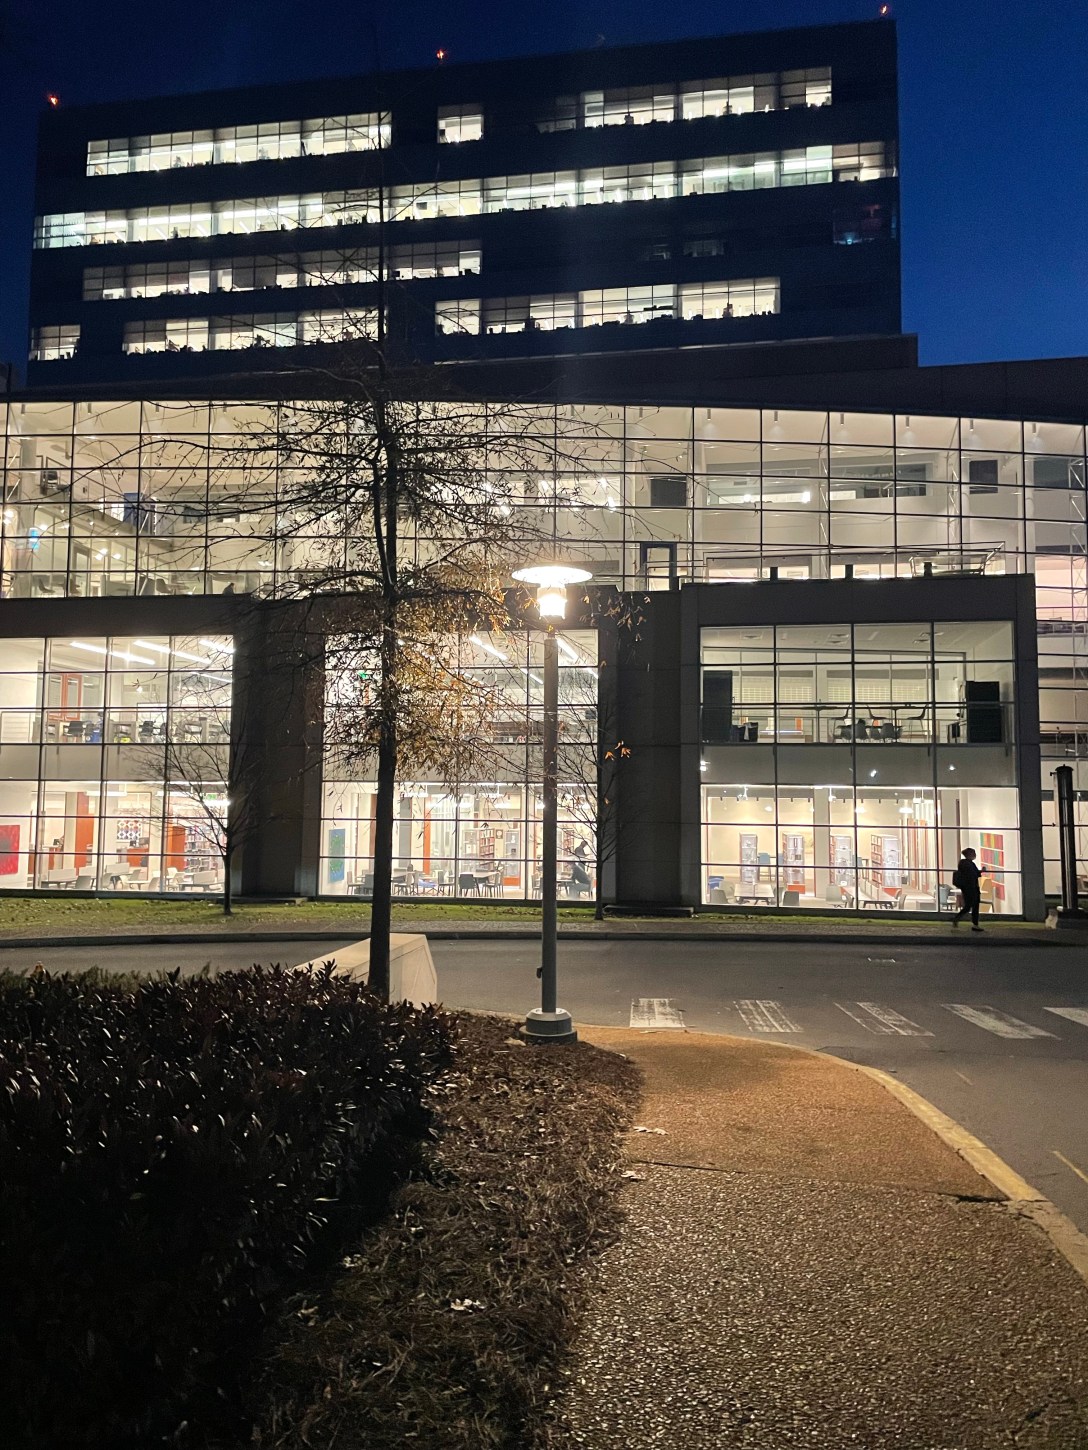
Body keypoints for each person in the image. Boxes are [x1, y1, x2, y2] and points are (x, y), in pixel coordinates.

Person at [952, 846, 986, 932]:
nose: (975, 855)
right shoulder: (967, 864)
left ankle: (973, 923)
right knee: (971, 906)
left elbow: (975, 874)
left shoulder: (966, 863)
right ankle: (960, 919)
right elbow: (973, 874)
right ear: (969, 854)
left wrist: (980, 872)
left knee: (972, 906)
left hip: (971, 887)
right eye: (973, 853)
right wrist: (980, 872)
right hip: (970, 888)